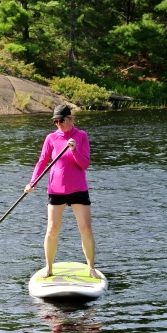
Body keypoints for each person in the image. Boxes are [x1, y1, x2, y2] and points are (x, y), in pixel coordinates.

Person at [24, 105, 98, 279]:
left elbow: (84, 164)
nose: (58, 124)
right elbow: (42, 162)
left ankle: (91, 267)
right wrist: (32, 182)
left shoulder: (81, 136)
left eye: (61, 120)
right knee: (52, 229)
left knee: (86, 228)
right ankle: (48, 268)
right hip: (56, 190)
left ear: (70, 119)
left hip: (79, 189)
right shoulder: (51, 138)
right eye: (55, 121)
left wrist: (74, 150)